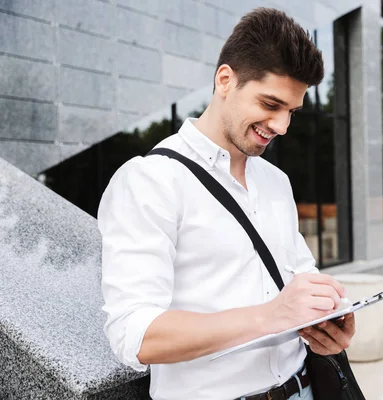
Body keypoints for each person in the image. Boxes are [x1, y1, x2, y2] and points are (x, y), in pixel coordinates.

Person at [98, 7, 356, 400]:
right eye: (270, 105)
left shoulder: (275, 181)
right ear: (225, 80)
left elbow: (301, 278)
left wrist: (327, 320)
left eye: (291, 111)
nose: (282, 126)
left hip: (305, 388)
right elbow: (135, 335)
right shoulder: (150, 180)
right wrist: (271, 317)